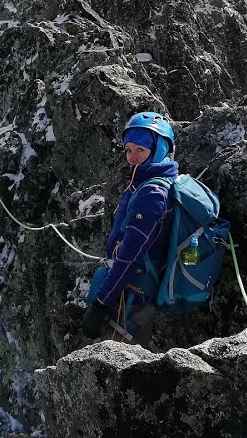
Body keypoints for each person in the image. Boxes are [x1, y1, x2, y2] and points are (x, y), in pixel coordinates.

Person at [81, 112, 178, 347]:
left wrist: (100, 304)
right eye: (128, 150)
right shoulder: (149, 180)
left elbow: (130, 257)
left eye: (140, 150)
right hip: (131, 290)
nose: (132, 158)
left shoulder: (152, 195)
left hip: (132, 298)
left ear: (159, 149)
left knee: (110, 363)